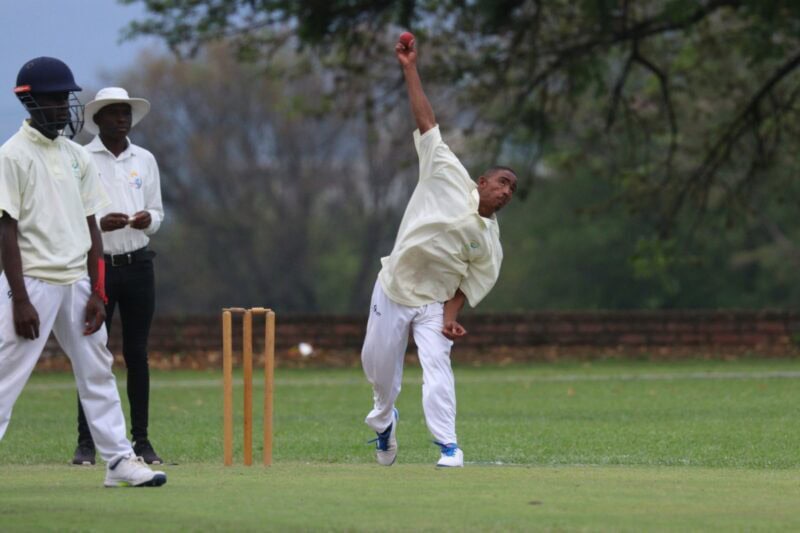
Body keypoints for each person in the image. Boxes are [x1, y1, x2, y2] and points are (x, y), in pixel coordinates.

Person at [0, 56, 167, 487]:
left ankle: (119, 461)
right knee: (5, 375)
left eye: (66, 99)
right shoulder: (12, 156)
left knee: (97, 370)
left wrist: (96, 291)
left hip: (76, 281)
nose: (64, 107)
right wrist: (20, 299)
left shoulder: (77, 156)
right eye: (55, 100)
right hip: (32, 282)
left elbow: (92, 226)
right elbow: (6, 230)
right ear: (29, 102)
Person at [360, 36, 517, 467]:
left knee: (437, 366)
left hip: (433, 303)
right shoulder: (445, 170)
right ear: (482, 181)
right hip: (394, 287)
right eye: (502, 182)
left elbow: (468, 284)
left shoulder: (490, 243)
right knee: (379, 372)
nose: (507, 192)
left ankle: (449, 445)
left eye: (513, 190)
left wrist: (450, 317)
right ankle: (384, 421)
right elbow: (427, 120)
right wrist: (410, 67)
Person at [71, 87, 164, 466]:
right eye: (113, 113)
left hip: (138, 264)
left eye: (126, 113)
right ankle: (86, 443)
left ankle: (141, 441)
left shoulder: (144, 159)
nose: (122, 119)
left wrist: (147, 220)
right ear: (97, 120)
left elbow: (157, 213)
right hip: (99, 266)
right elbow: (72, 214)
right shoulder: (81, 158)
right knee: (93, 355)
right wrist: (99, 225)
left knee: (137, 354)